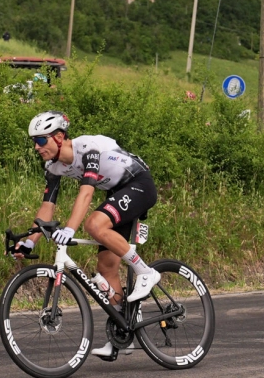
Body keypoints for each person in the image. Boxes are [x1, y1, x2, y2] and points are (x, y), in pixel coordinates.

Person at [19, 111, 160, 360]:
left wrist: (70, 230)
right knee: (106, 268)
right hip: (116, 191)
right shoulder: (53, 167)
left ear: (59, 137)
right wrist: (30, 240)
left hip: (139, 184)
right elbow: (47, 207)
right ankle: (122, 336)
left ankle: (146, 272)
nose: (36, 147)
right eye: (34, 141)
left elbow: (86, 193)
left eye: (41, 140)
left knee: (94, 224)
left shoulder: (87, 148)